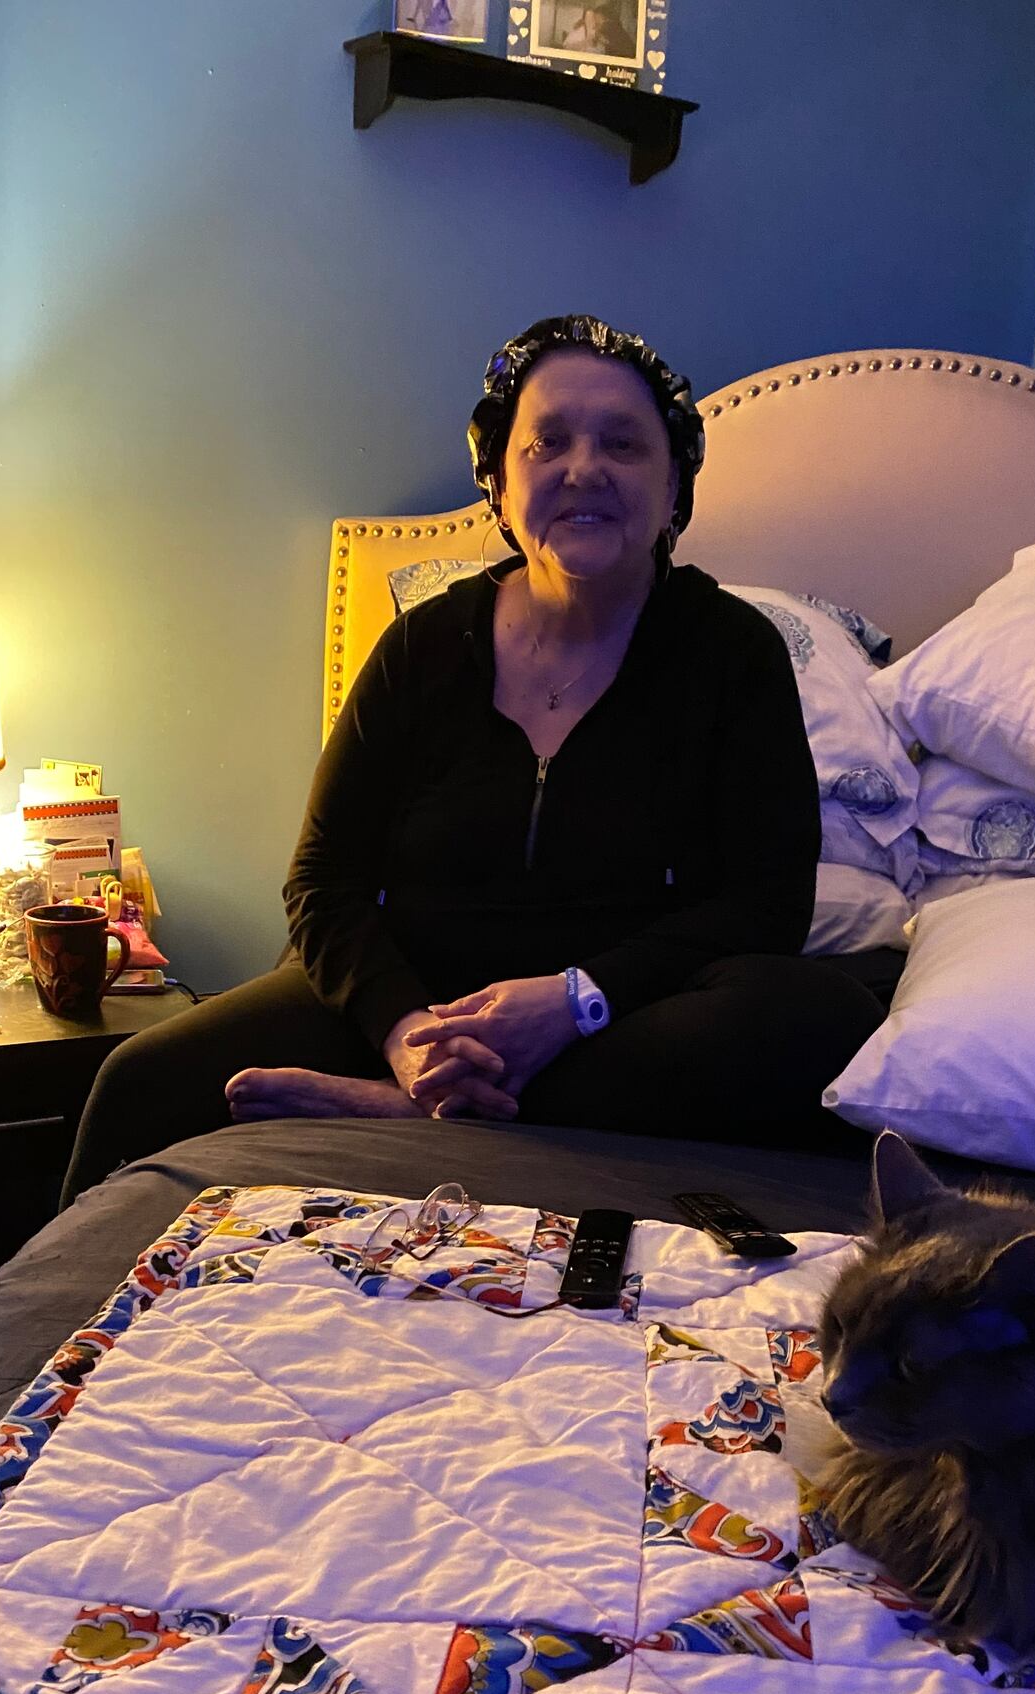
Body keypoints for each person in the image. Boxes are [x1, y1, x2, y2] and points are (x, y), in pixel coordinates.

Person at [60, 315, 895, 1205]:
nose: (585, 468)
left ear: (672, 487)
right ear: (498, 480)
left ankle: (419, 1111)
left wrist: (576, 1000)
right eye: (548, 443)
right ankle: (437, 1092)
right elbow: (322, 881)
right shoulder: (421, 649)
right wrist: (406, 1033)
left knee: (824, 1021)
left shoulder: (734, 654)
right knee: (138, 1078)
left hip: (625, 1019)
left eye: (623, 444)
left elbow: (768, 903)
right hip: (416, 1004)